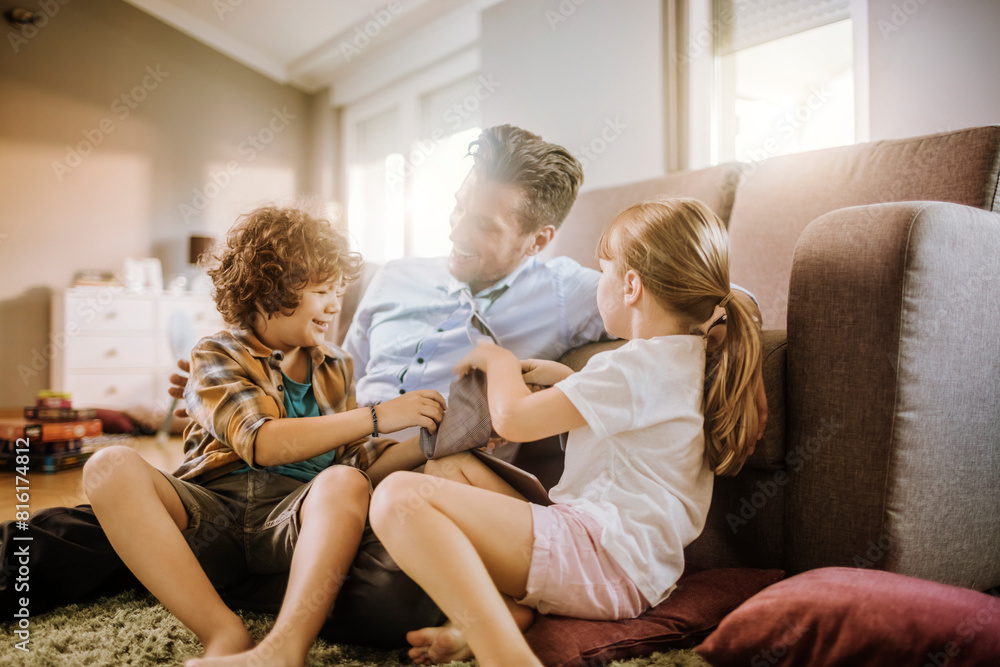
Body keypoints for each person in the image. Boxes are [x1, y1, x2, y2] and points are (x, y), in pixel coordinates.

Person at [369, 198, 763, 667]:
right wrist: (562, 378)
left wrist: (496, 359)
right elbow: (625, 414)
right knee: (448, 467)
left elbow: (512, 419)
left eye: (604, 273)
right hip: (629, 565)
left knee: (398, 498)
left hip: (603, 558)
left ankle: (507, 655)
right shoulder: (683, 358)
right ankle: (505, 615)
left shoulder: (635, 365)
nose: (598, 286)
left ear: (631, 285)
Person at [83, 205, 446, 667]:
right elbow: (262, 441)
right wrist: (376, 415)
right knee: (107, 465)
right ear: (266, 292)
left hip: (292, 521)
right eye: (322, 291)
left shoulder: (337, 365)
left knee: (343, 481)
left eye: (338, 291)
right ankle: (223, 631)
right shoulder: (216, 352)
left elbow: (359, 464)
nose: (335, 305)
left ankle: (283, 649)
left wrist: (434, 438)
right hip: (213, 512)